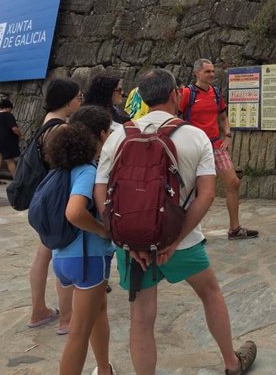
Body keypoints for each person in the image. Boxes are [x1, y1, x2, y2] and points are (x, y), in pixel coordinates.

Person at [94, 68, 257, 375]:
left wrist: (126, 241)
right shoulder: (195, 136)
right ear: (174, 95)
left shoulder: (118, 136)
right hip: (182, 240)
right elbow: (206, 195)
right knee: (210, 293)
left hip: (133, 245)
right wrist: (174, 240)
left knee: (141, 319)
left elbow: (101, 192)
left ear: (141, 97)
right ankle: (231, 362)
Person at [47, 106, 115, 375]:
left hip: (63, 257)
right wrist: (102, 230)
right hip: (87, 259)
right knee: (78, 334)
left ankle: (103, 369)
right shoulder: (87, 171)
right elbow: (74, 212)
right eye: (108, 133)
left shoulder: (62, 168)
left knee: (99, 311)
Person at [180, 59, 258, 240]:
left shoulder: (215, 93)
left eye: (213, 71)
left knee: (233, 182)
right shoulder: (187, 94)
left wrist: (228, 135)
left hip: (215, 145)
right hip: (194, 148)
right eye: (208, 72)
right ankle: (192, 232)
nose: (212, 75)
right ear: (197, 73)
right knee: (193, 190)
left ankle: (235, 228)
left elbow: (223, 117)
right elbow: (177, 117)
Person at [28, 79, 82, 335]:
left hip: (45, 198)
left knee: (44, 253)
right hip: (58, 199)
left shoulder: (46, 120)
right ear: (68, 100)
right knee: (62, 254)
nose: (80, 101)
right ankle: (66, 319)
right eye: (77, 97)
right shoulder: (60, 128)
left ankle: (39, 309)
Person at [0, 98, 22, 185]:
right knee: (9, 160)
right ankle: (16, 181)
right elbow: (14, 129)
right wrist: (21, 135)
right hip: (5, 141)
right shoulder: (8, 115)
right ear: (9, 107)